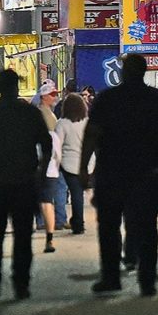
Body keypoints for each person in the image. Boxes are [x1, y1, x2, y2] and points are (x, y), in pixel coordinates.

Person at [80, 54, 158, 297]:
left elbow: (92, 134)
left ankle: (111, 277)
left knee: (108, 226)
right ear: (144, 71)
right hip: (150, 173)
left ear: (124, 71)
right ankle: (147, 281)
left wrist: (83, 168)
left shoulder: (108, 99)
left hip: (113, 172)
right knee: (147, 227)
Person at [0, 69, 52, 300]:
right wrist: (41, 174)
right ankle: (21, 282)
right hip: (24, 181)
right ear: (16, 86)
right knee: (23, 235)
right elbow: (47, 145)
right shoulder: (30, 113)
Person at [56, 93, 92, 235]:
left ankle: (78, 222)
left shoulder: (62, 123)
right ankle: (78, 222)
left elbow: (57, 144)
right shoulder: (87, 122)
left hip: (68, 162)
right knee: (79, 194)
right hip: (86, 163)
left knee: (74, 192)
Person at [36, 82, 68, 230]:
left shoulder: (48, 112)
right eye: (52, 94)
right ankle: (52, 220)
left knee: (49, 189)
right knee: (53, 189)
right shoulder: (44, 114)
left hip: (49, 158)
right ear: (44, 97)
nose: (55, 97)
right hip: (48, 159)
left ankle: (50, 220)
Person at [39, 111, 64, 254]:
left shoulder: (31, 135)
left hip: (33, 173)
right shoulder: (54, 136)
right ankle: (49, 237)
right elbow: (58, 156)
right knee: (48, 203)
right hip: (51, 172)